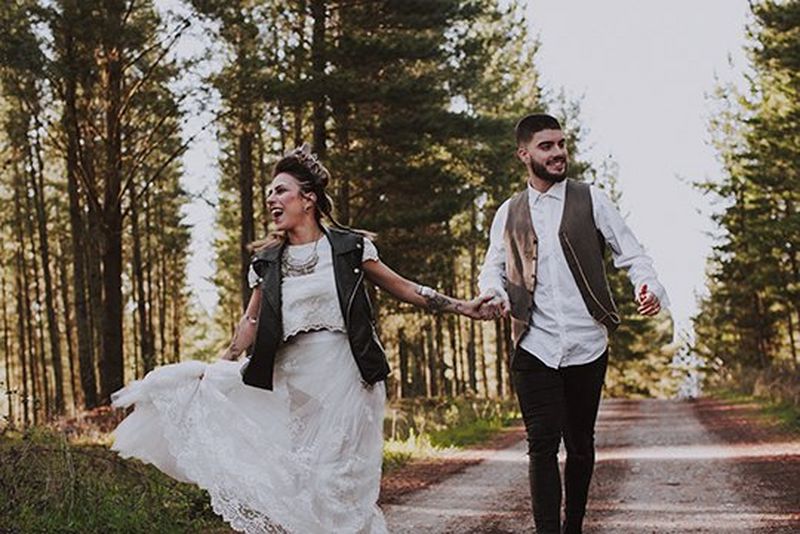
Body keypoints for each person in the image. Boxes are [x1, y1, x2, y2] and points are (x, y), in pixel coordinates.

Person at [110, 143, 490, 534]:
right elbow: (251, 321)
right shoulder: (267, 261)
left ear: (308, 199)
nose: (271, 199)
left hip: (346, 378)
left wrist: (463, 307)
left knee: (335, 480)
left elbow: (404, 287)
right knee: (301, 481)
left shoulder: (350, 248)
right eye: (269, 193)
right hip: (292, 381)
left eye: (280, 190)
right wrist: (220, 365)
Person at [477, 114, 668, 534]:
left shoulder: (592, 199)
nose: (558, 153)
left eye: (561, 144)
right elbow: (492, 268)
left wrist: (648, 286)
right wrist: (493, 293)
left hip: (587, 343)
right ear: (524, 154)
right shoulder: (508, 212)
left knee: (579, 445)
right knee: (541, 444)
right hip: (533, 343)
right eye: (546, 146)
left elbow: (633, 254)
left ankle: (574, 526)